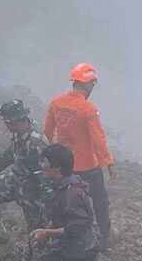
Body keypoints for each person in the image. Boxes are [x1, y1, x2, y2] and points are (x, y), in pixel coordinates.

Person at [44, 62, 114, 247]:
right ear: (88, 84)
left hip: (64, 167)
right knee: (99, 203)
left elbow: (47, 132)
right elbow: (98, 139)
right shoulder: (88, 109)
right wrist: (108, 162)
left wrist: (50, 159)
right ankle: (104, 238)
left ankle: (57, 236)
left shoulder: (56, 102)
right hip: (87, 166)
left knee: (63, 202)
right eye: (93, 84)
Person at [0, 99, 50, 245]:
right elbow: (12, 152)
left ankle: (40, 258)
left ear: (14, 121)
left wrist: (46, 201)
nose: (6, 125)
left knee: (36, 229)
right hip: (17, 178)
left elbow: (46, 175)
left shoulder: (37, 142)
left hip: (34, 188)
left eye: (7, 122)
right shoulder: (19, 132)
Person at [32, 144, 99, 261]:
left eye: (45, 162)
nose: (42, 165)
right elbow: (62, 216)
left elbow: (75, 229)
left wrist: (47, 233)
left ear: (57, 167)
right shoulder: (62, 185)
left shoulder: (71, 193)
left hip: (81, 251)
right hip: (71, 246)